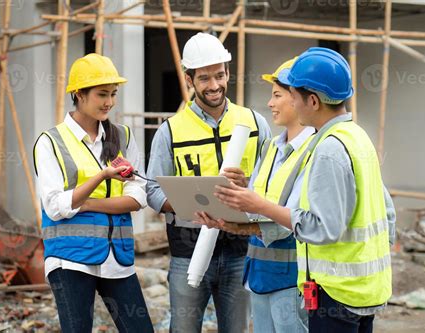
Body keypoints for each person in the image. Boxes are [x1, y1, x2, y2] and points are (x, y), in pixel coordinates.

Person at [201, 47, 396, 333]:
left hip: (335, 292)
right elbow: (387, 218)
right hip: (362, 290)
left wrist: (258, 206)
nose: (282, 101)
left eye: (290, 95)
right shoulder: (357, 137)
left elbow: (321, 228)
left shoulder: (328, 148)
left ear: (313, 101)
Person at [146, 32, 272, 333]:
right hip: (187, 250)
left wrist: (247, 189)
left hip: (241, 251)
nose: (214, 85)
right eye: (204, 78)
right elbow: (152, 191)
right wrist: (188, 203)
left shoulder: (253, 123)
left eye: (219, 75)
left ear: (228, 73)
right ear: (189, 79)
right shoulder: (171, 132)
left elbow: (273, 185)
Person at [33, 53, 153, 332]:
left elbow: (138, 197)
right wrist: (101, 176)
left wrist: (87, 204)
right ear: (78, 94)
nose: (109, 102)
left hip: (118, 257)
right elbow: (55, 206)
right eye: (101, 94)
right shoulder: (50, 142)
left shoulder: (123, 136)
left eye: (113, 94)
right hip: (69, 259)